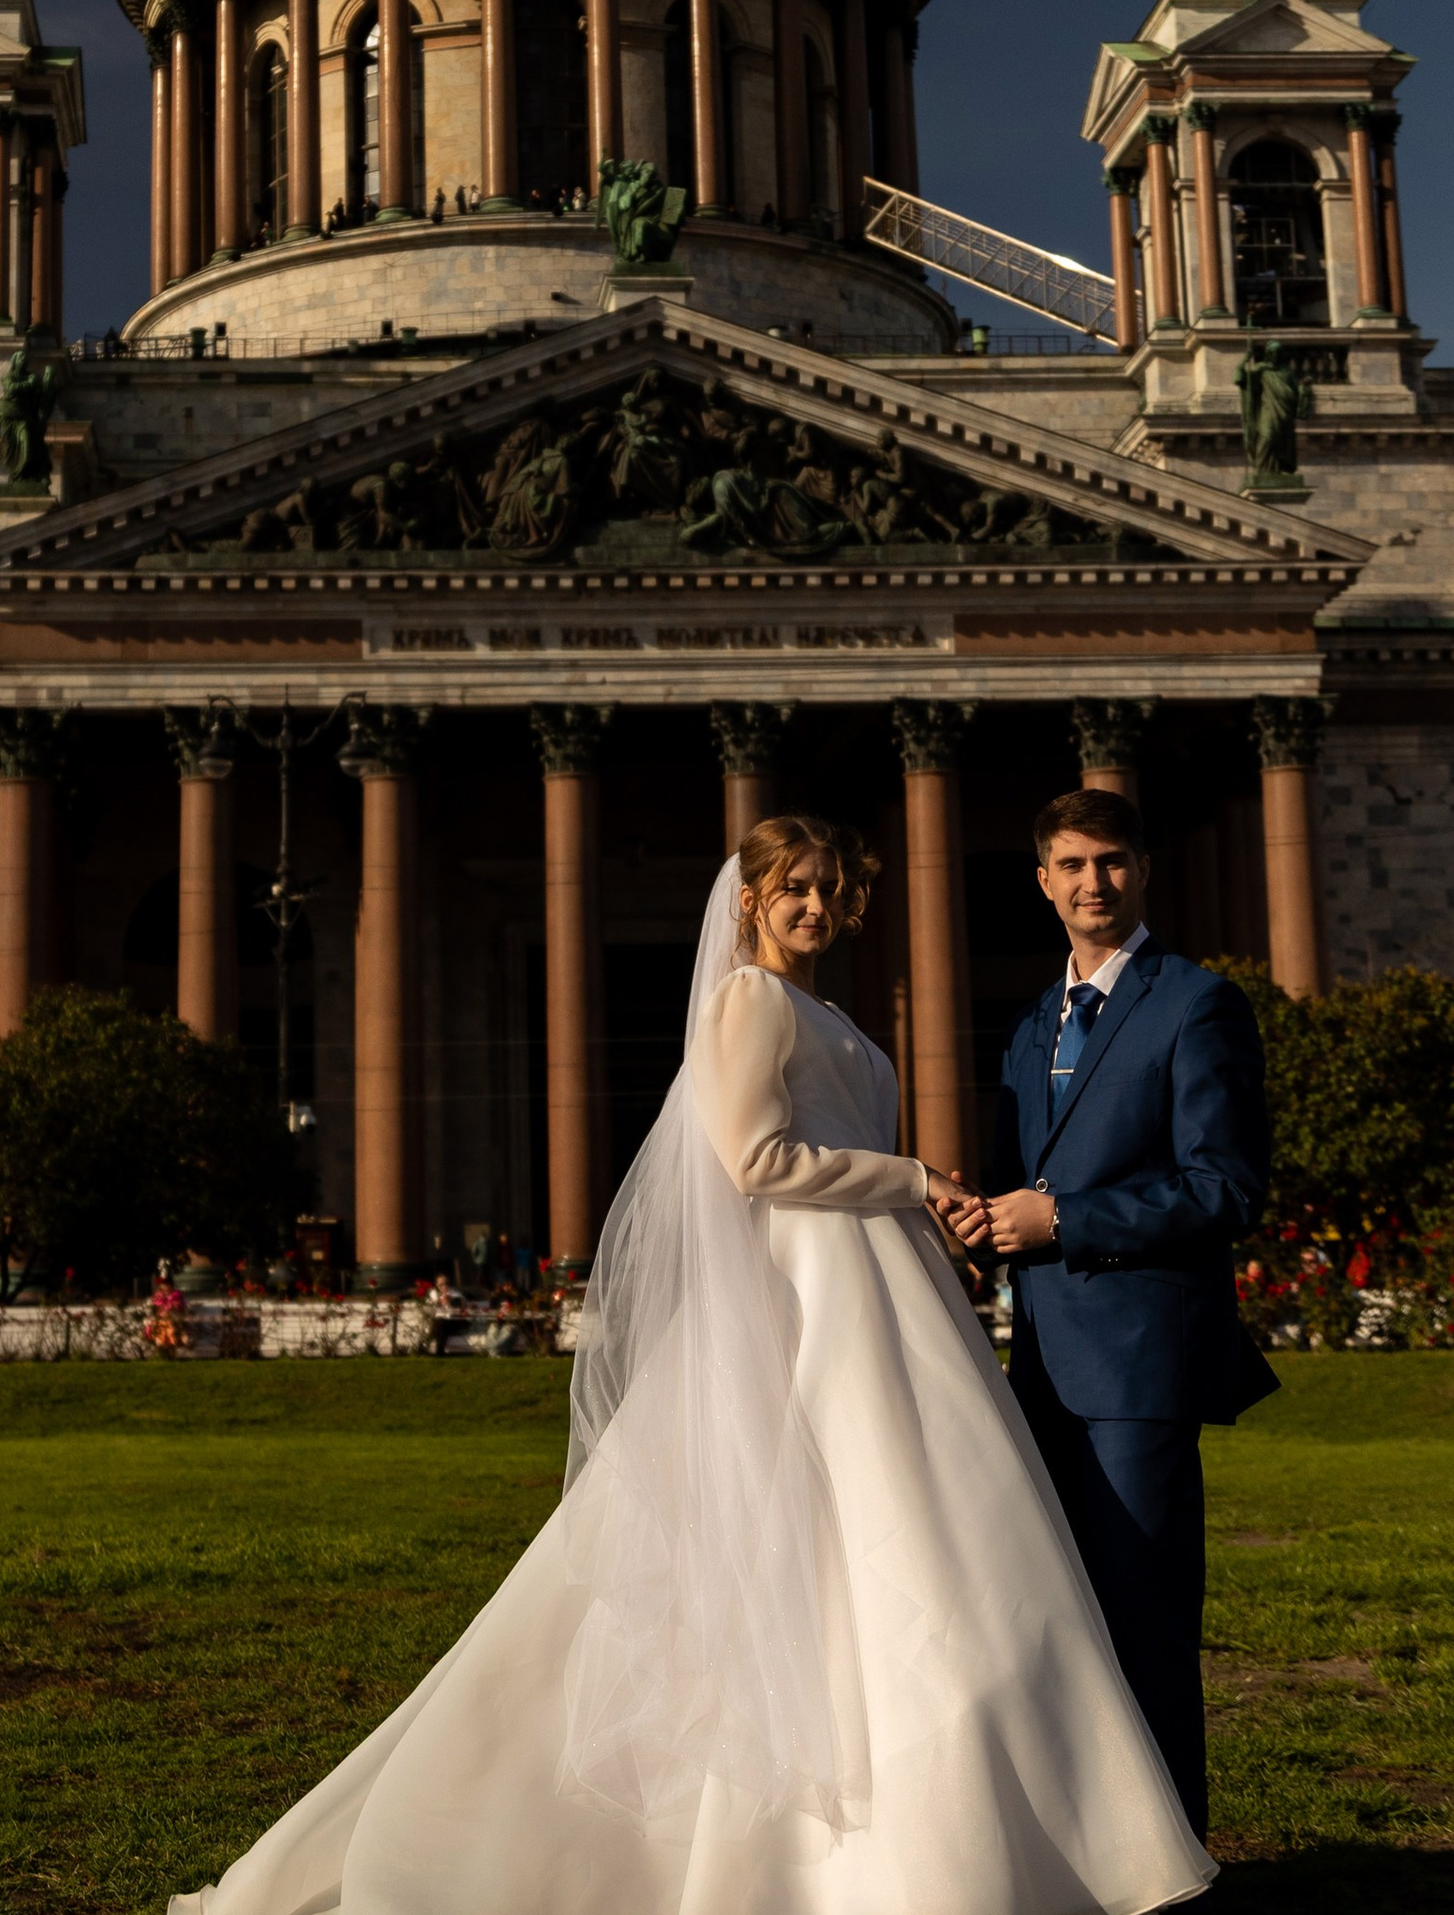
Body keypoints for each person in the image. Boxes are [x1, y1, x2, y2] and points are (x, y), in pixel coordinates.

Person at [170, 816, 1216, 1915]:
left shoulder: (820, 1009)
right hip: (820, 1295)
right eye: (792, 889)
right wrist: (911, 1180)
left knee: (917, 1549)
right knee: (874, 1544)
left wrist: (916, 1196)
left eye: (826, 887)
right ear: (750, 901)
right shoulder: (749, 1000)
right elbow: (754, 1159)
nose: (814, 905)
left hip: (874, 1296)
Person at [946, 789, 1275, 1838]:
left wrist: (1064, 1219)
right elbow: (1021, 1184)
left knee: (1140, 1616)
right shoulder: (1032, 1021)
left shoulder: (1197, 1003)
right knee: (1056, 1621)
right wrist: (972, 1214)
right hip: (1037, 1366)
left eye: (1114, 862)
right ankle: (1090, 1846)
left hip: (1138, 1368)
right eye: (1072, 865)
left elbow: (1225, 1186)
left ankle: (1173, 1856)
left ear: (1144, 870)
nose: (1094, 882)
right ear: (1041, 880)